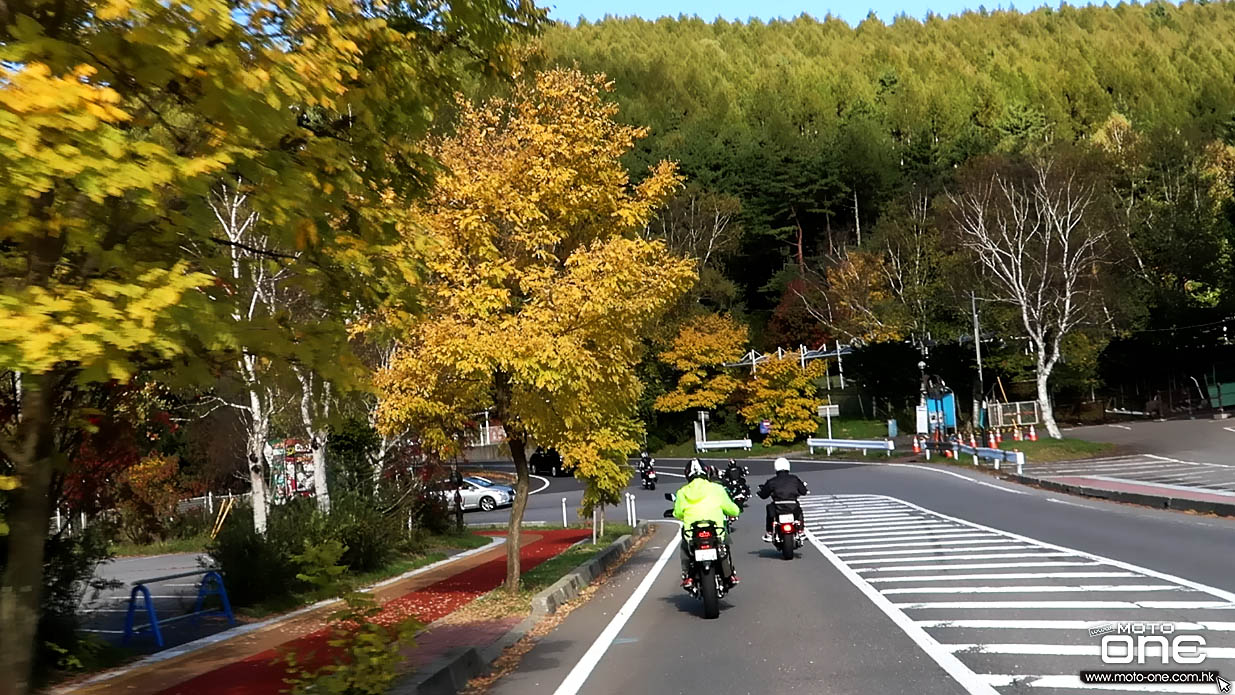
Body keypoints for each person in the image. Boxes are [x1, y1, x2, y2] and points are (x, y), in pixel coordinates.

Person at [673, 459, 741, 588]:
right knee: (725, 545)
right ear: (706, 472)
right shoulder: (717, 489)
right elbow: (732, 509)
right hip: (716, 531)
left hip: (692, 534)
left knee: (685, 547)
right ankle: (730, 574)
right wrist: (735, 511)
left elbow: (678, 513)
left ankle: (688, 576)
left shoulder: (682, 492)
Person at [757, 457, 808, 543]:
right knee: (799, 511)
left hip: (778, 506)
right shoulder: (794, 479)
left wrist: (760, 492)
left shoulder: (772, 481)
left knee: (769, 509)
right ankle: (801, 531)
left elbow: (764, 495)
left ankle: (769, 532)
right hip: (792, 505)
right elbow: (803, 491)